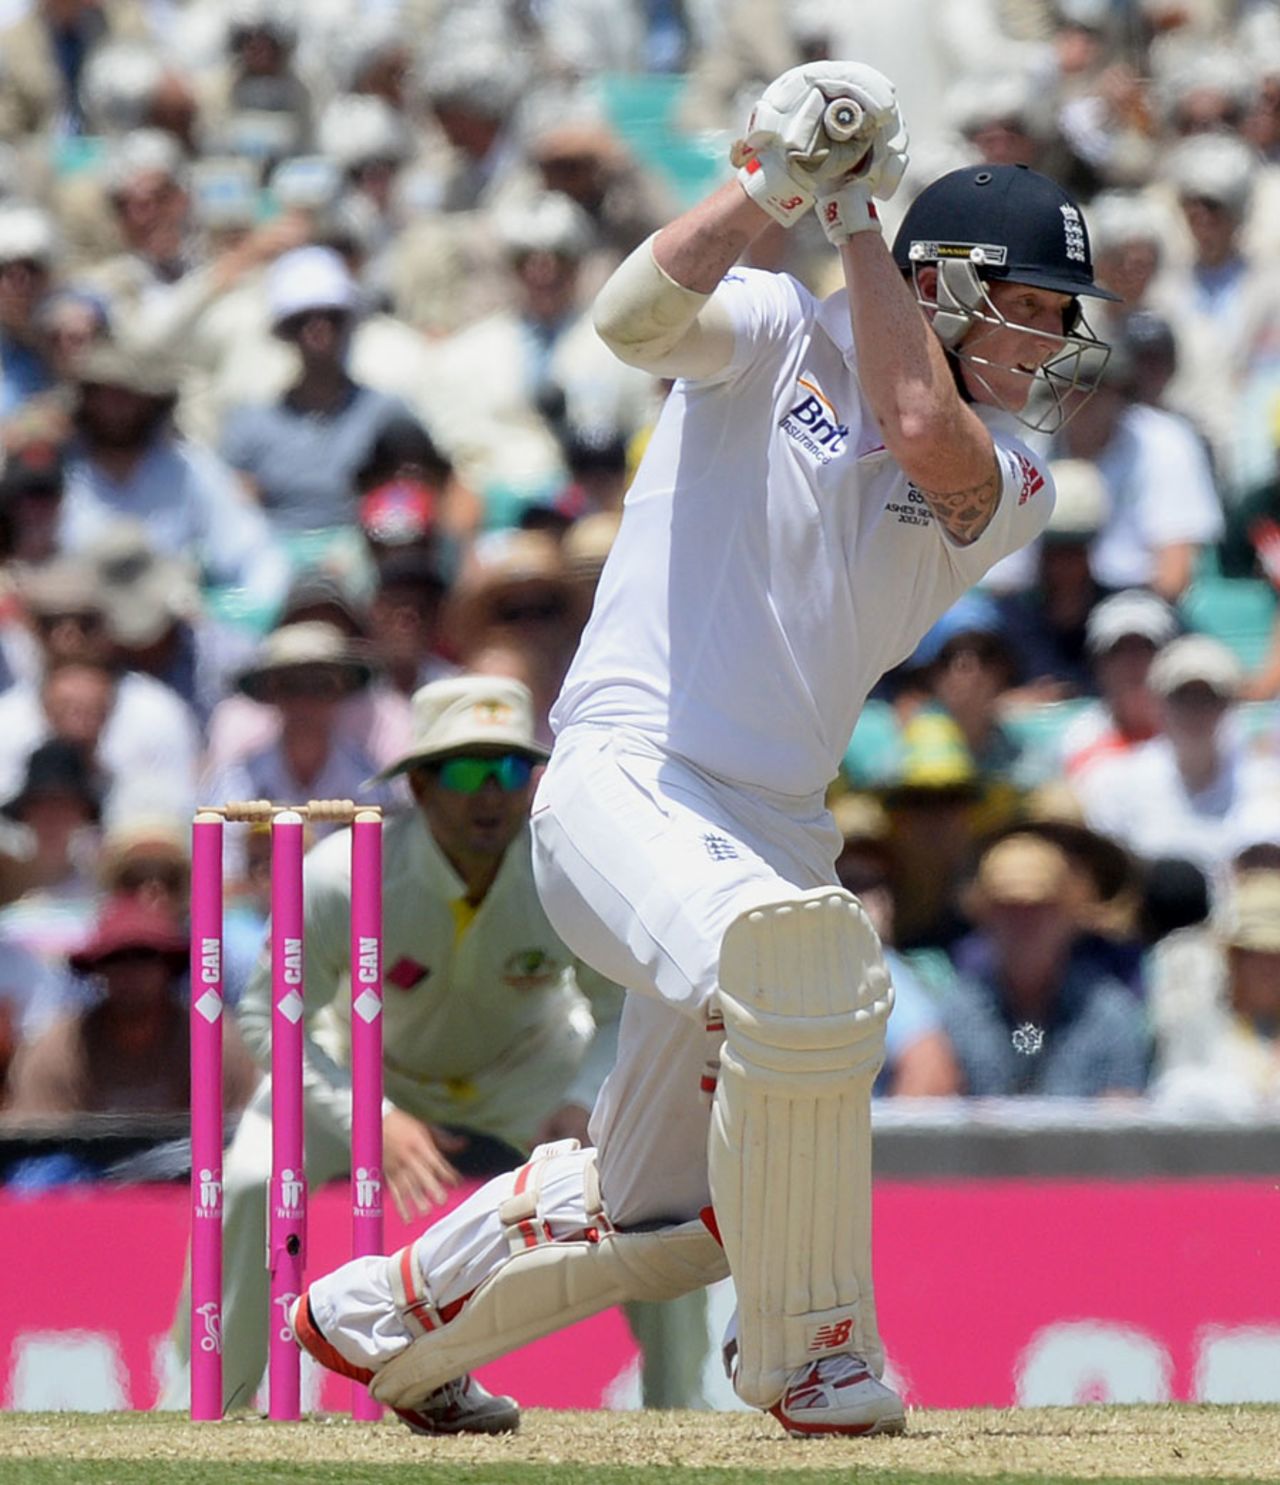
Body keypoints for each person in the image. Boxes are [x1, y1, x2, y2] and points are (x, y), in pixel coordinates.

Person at [289, 64, 1116, 1438]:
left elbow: (920, 432)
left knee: (661, 1212)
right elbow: (630, 316)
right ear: (948, 287)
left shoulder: (1015, 481)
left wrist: (852, 220)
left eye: (1055, 320)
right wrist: (774, 191)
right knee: (805, 965)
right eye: (1026, 309)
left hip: (768, 826)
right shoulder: (774, 324)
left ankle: (385, 1315)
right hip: (627, 779)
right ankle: (813, 1355)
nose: (1047, 345)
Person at [160, 674, 623, 1429]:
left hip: (529, 1073)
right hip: (374, 1069)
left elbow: (618, 1009)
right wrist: (370, 1113)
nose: (492, 793)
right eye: (468, 770)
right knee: (248, 1179)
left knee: (642, 1185)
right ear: (419, 783)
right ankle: (217, 1394)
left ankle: (680, 1388)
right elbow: (266, 1014)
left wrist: (583, 1097)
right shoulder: (341, 873)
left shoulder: (566, 869)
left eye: (510, 769)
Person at [939, 832, 1150, 1098]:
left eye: (1041, 907)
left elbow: (1124, 1119)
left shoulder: (1111, 1014)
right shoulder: (951, 1014)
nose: (1025, 923)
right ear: (983, 915)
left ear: (1071, 915)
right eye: (1008, 907)